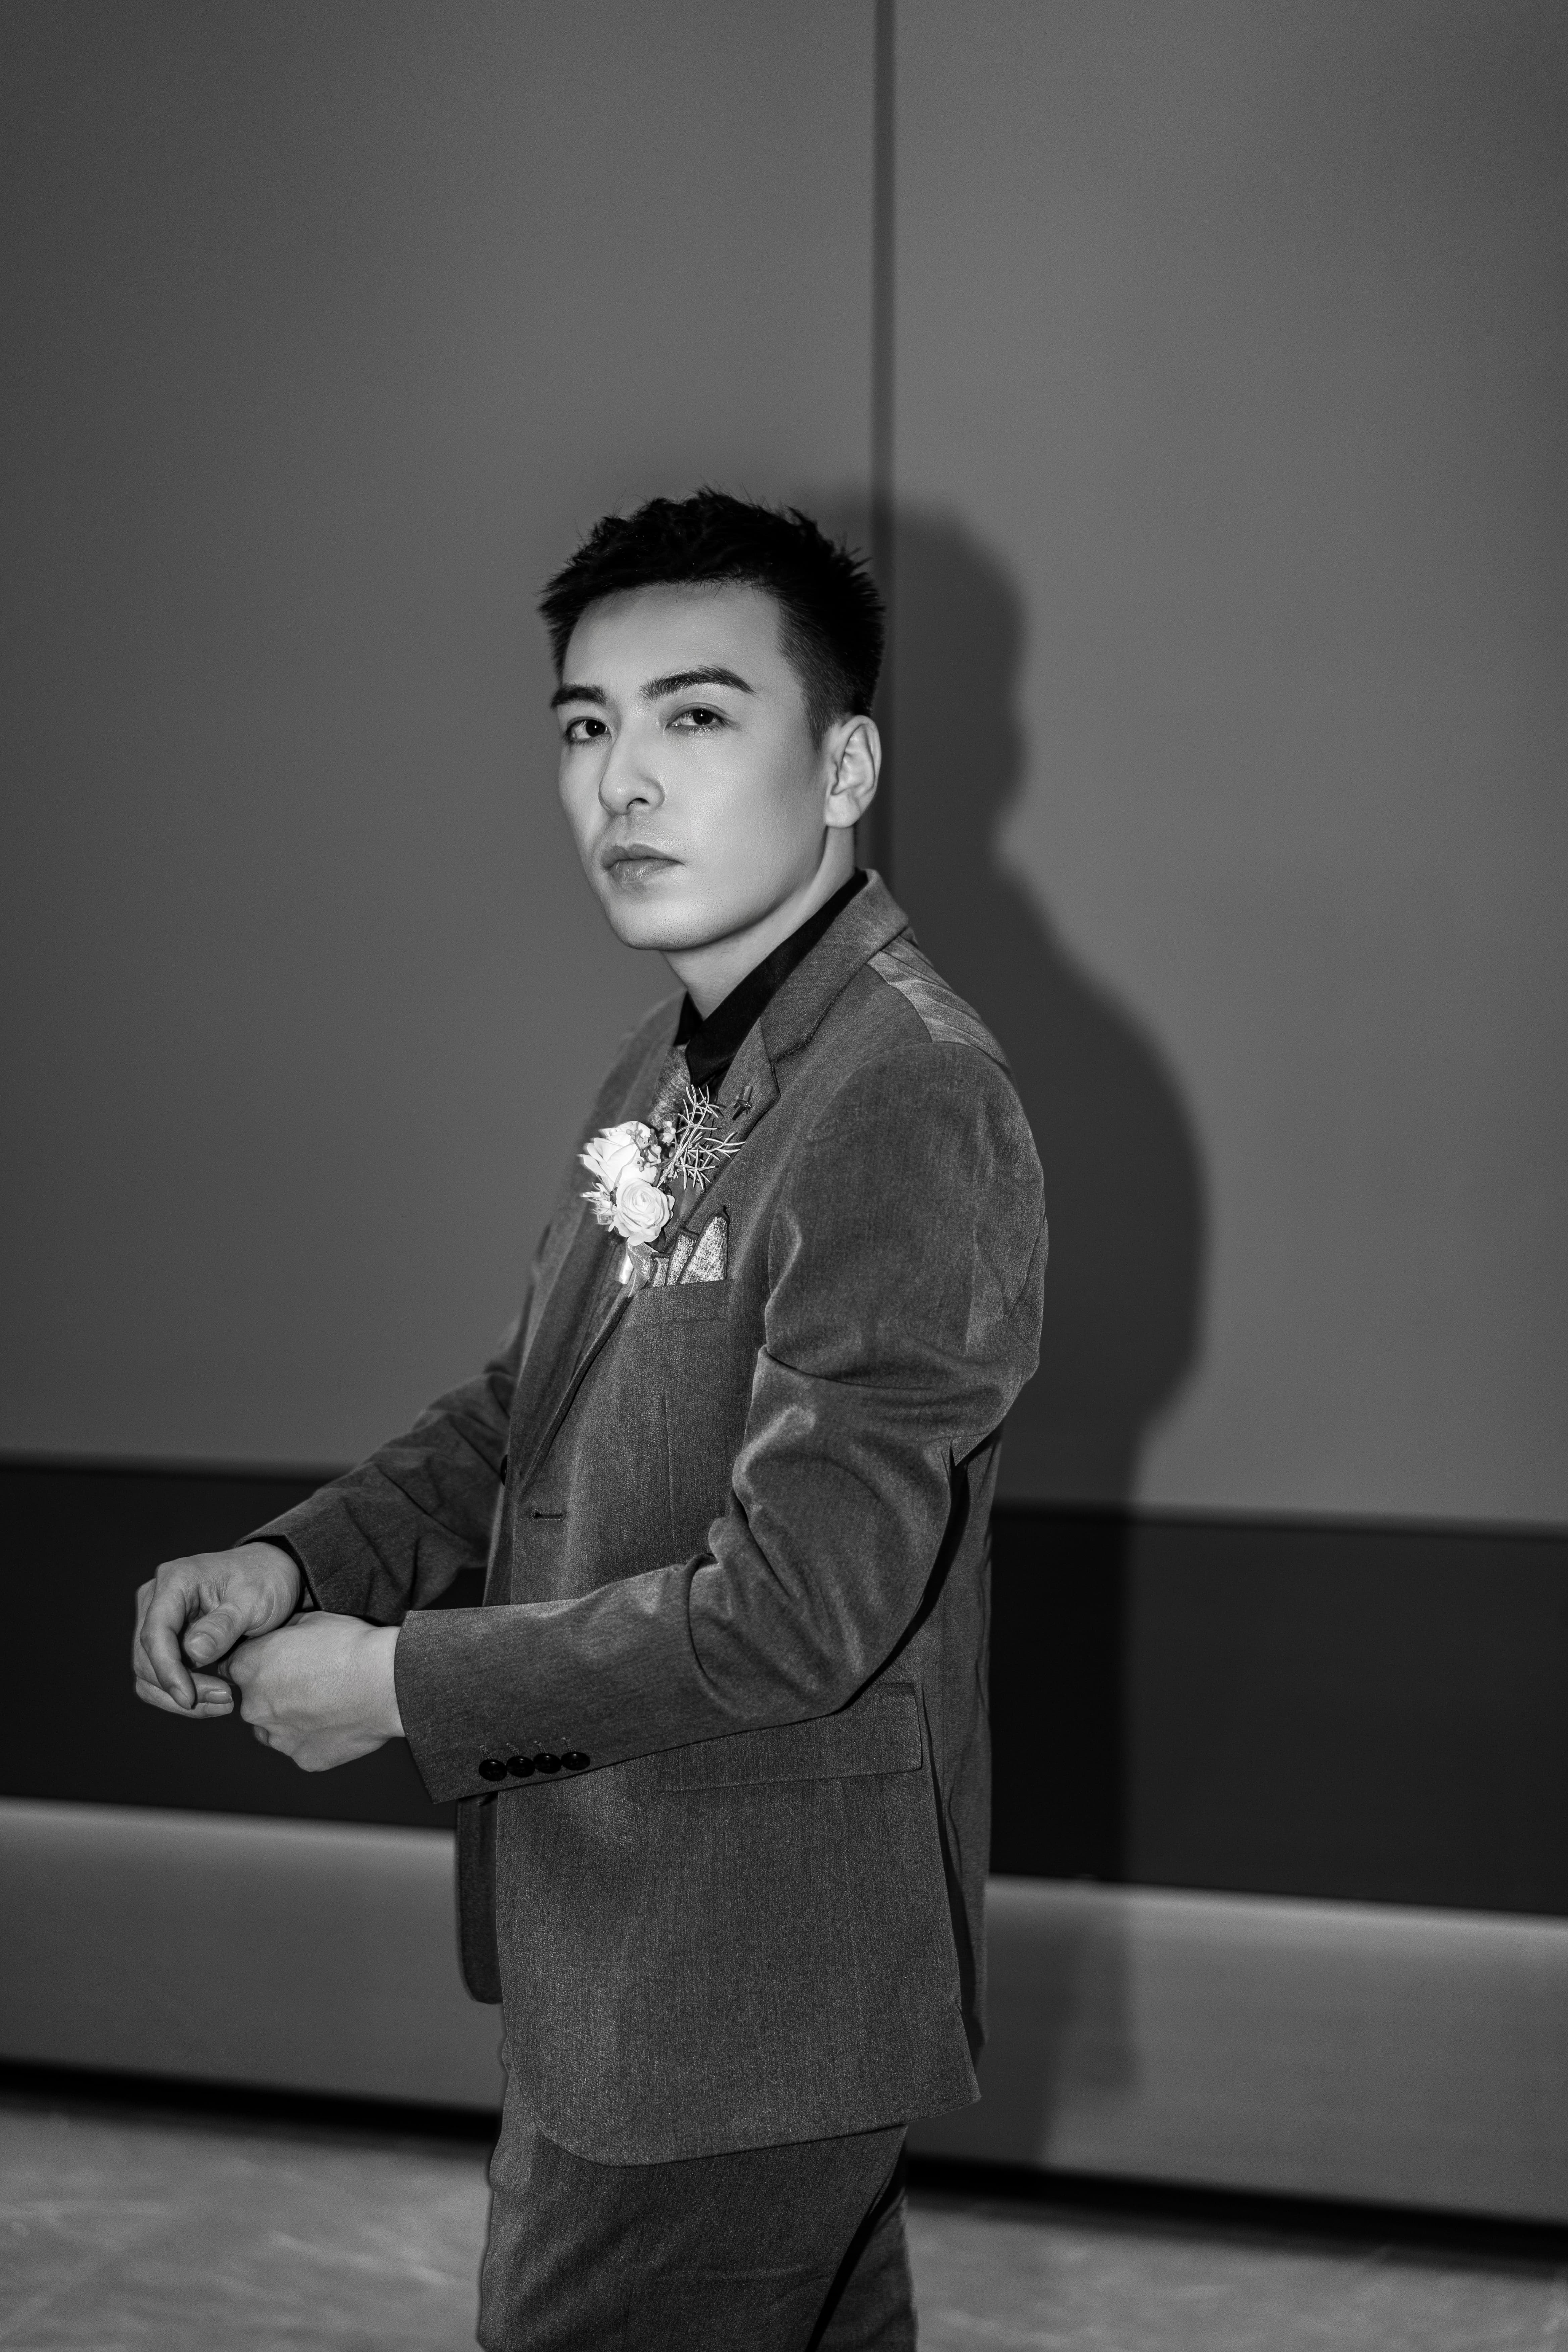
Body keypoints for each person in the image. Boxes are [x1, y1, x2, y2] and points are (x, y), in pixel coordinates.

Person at [132, 490, 1046, 2350]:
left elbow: (795, 1616)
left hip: (744, 1989)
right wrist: (298, 1562)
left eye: (696, 714)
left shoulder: (905, 1093)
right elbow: (523, 1413)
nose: (623, 779)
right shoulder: (683, 1056)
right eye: (585, 725)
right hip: (649, 1961)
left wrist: (401, 1683)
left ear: (845, 764)